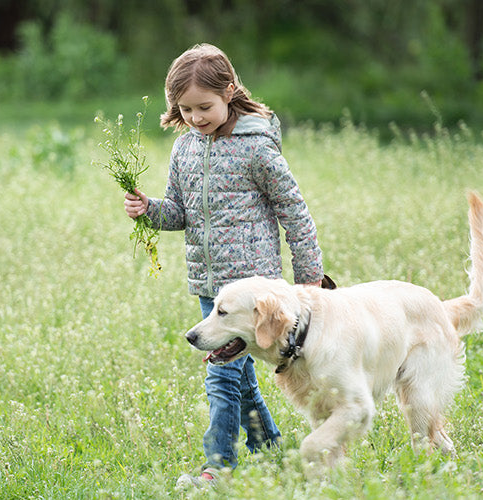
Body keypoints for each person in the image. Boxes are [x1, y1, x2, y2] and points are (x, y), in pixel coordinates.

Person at [121, 43, 325, 487]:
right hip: (210, 289)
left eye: (204, 106)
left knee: (221, 374)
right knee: (239, 376)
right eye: (186, 109)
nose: (195, 118)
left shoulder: (257, 150)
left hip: (253, 292)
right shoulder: (185, 150)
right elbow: (180, 211)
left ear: (230, 91)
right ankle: (272, 456)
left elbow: (295, 213)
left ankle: (217, 469)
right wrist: (148, 209)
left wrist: (309, 278)